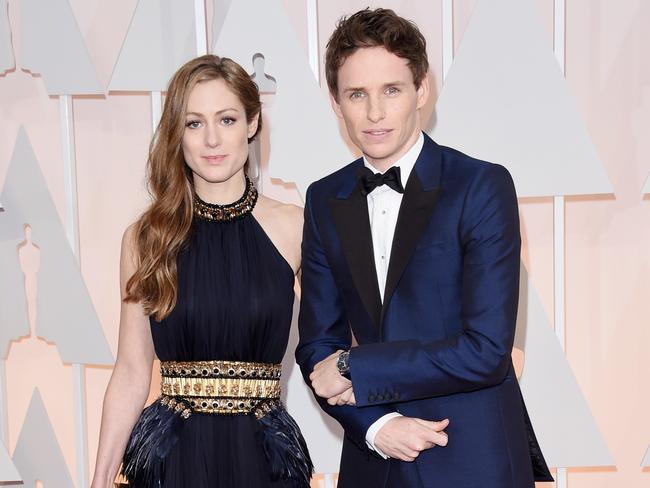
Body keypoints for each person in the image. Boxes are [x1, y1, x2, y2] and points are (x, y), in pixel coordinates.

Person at [296, 8, 553, 487]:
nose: (374, 113)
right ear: (335, 103)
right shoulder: (322, 198)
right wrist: (376, 427)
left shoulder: (481, 186)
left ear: (422, 91)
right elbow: (316, 347)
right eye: (357, 94)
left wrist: (356, 365)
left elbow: (487, 350)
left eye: (391, 90)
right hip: (372, 461)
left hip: (472, 459)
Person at [91, 54, 311, 488]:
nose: (212, 139)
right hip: (173, 460)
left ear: (252, 124)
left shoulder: (294, 226)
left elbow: (334, 341)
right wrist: (98, 480)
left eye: (227, 120)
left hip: (263, 457)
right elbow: (133, 372)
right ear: (178, 134)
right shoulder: (146, 238)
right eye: (194, 123)